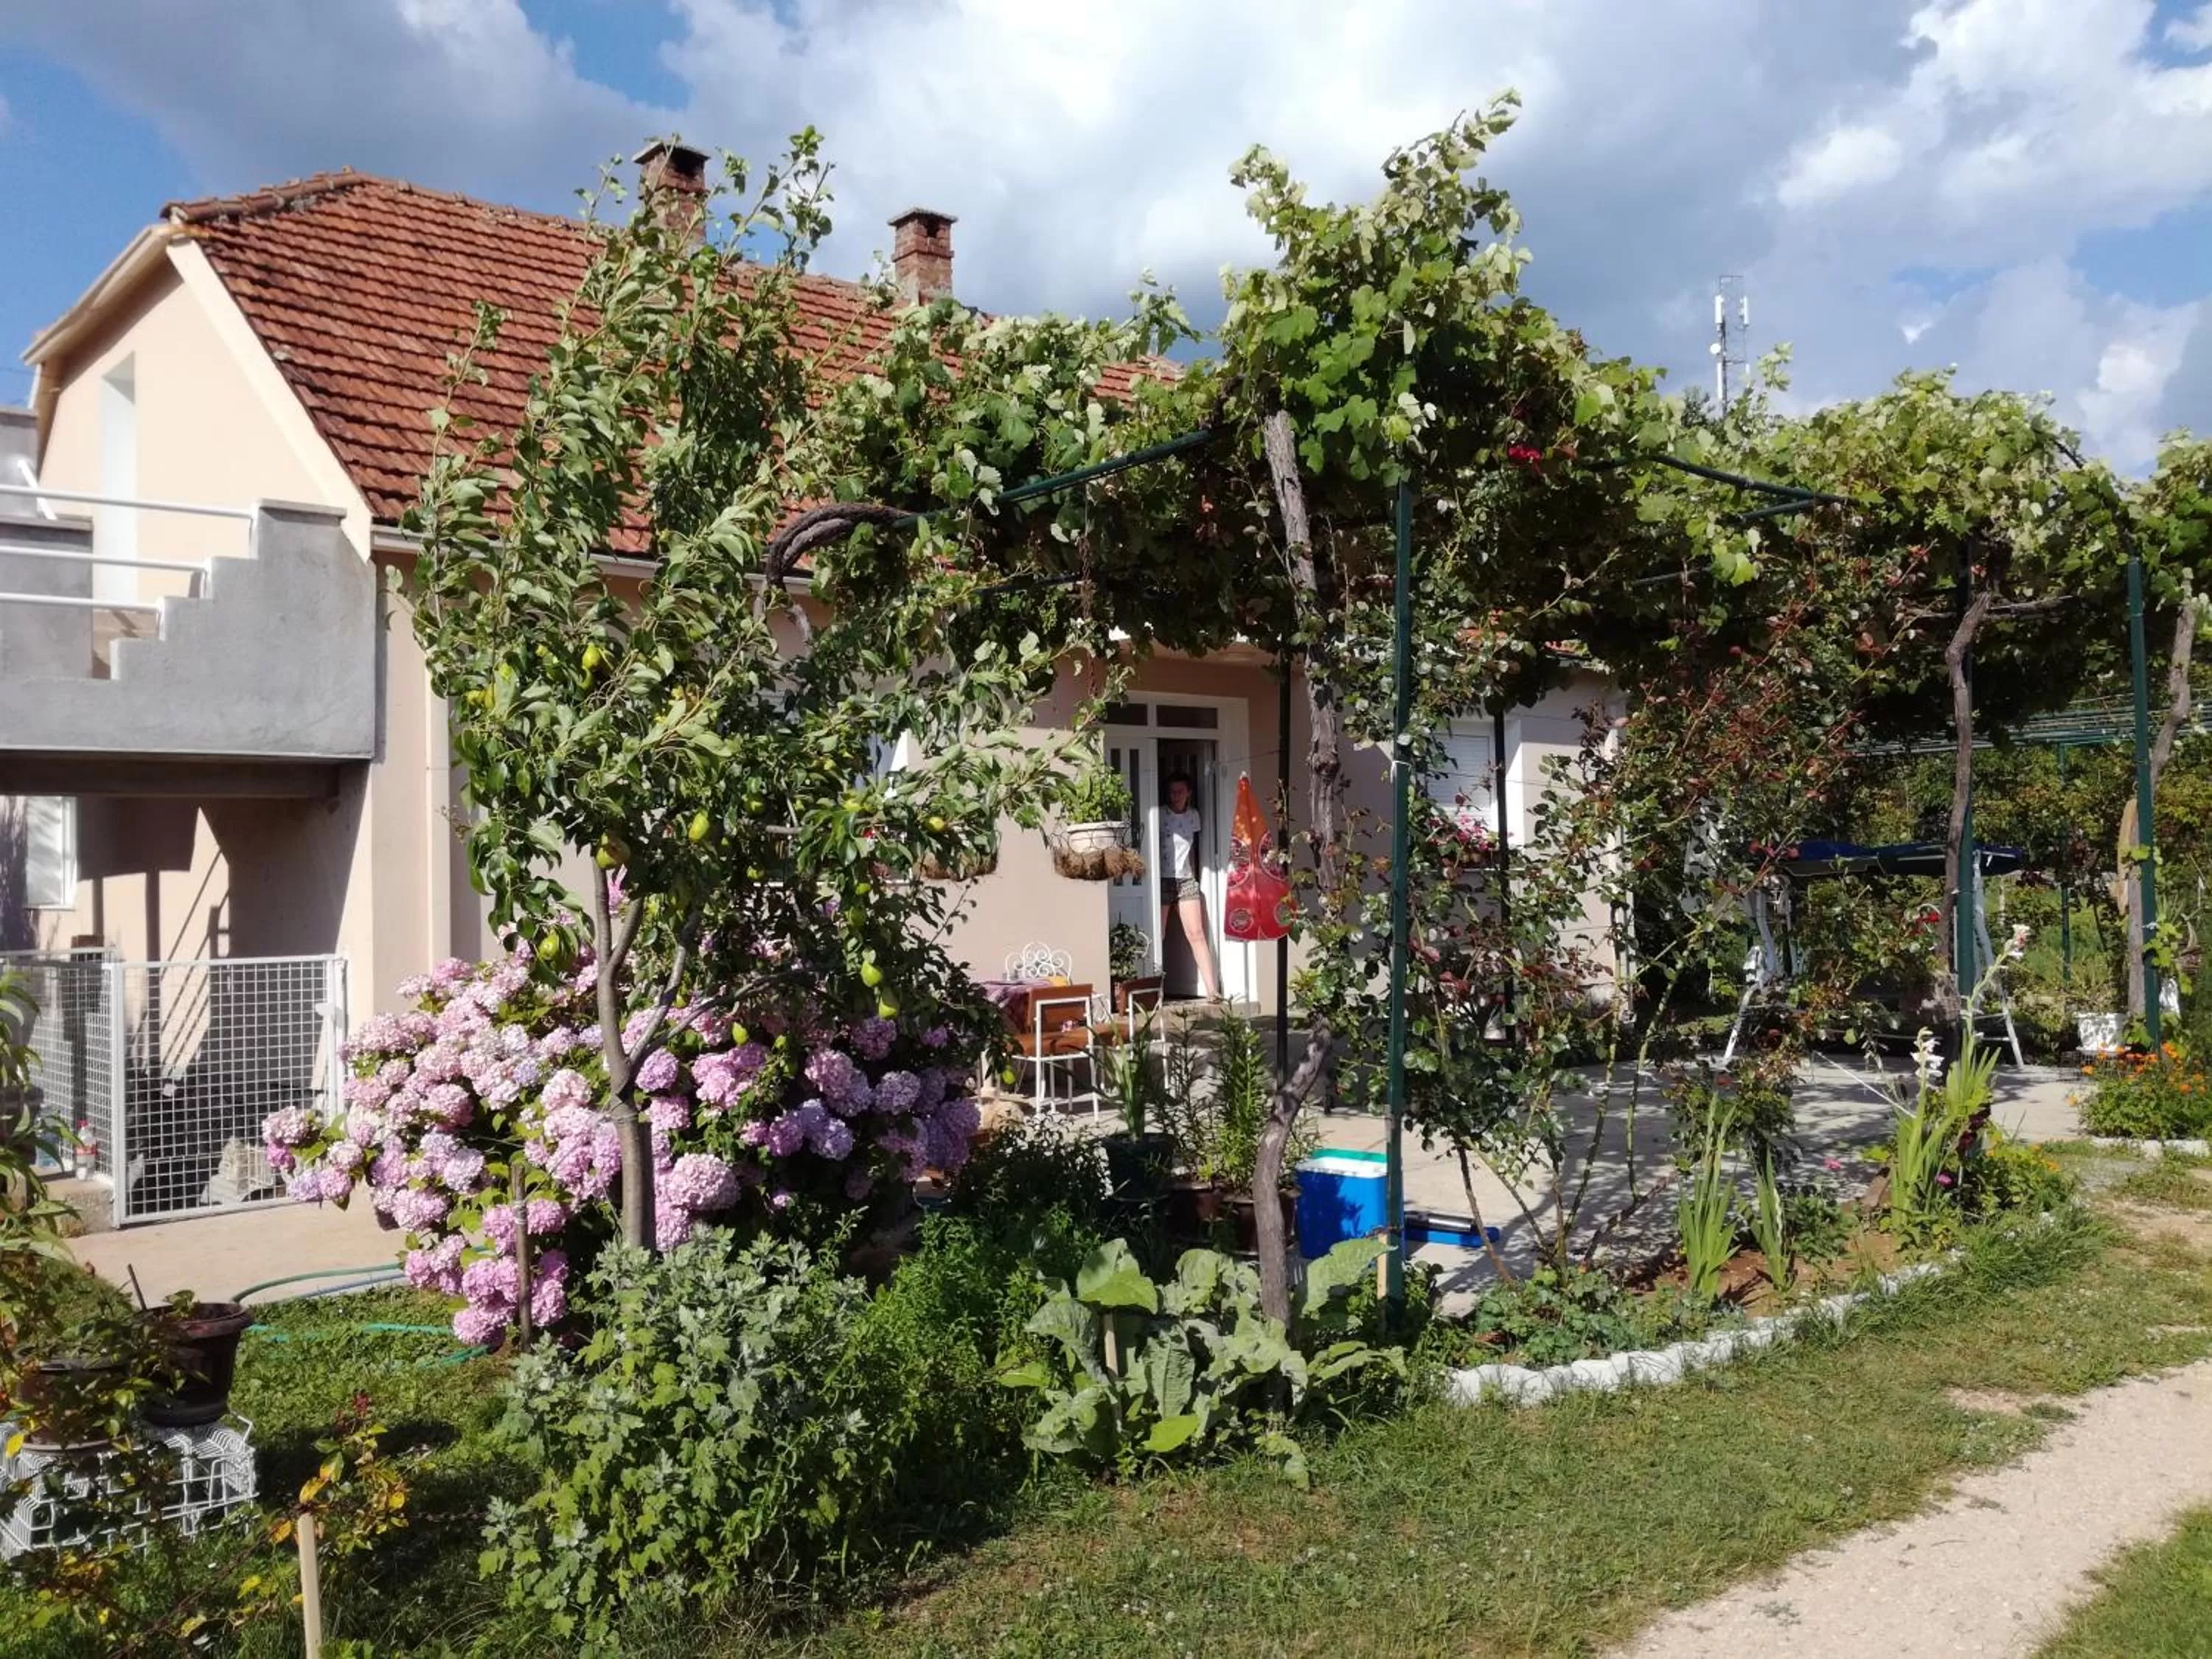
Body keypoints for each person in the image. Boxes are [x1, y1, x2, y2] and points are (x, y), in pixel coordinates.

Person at [1160, 772, 1222, 1001]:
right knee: (1160, 934)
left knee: (1196, 933)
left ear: (1189, 793)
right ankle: (1153, 991)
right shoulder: (1161, 815)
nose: (1175, 796)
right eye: (1172, 792)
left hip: (1186, 878)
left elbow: (1195, 848)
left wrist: (1196, 875)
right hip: (1162, 879)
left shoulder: (1193, 816)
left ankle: (1211, 990)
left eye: (1180, 792)